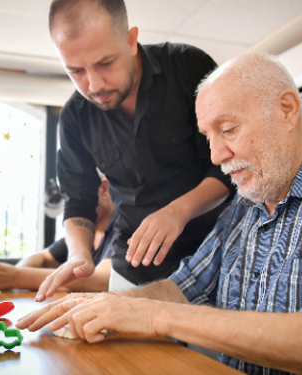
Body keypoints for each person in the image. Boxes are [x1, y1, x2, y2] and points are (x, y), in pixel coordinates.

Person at [17, 53, 302, 375]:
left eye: (228, 130)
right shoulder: (245, 205)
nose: (215, 157)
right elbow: (185, 285)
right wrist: (109, 307)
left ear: (287, 109)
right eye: (208, 137)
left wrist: (156, 317)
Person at [37, 0, 235, 302]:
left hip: (214, 251)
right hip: (134, 263)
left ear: (131, 41)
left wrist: (177, 212)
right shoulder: (75, 116)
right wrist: (79, 254)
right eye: (75, 71)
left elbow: (227, 164)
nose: (94, 84)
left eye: (105, 63)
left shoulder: (188, 67)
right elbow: (78, 201)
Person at [0, 179, 116, 292]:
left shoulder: (122, 229)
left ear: (104, 189)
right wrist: (13, 273)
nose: (70, 207)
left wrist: (16, 277)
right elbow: (42, 257)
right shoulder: (82, 233)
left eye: (77, 197)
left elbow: (103, 280)